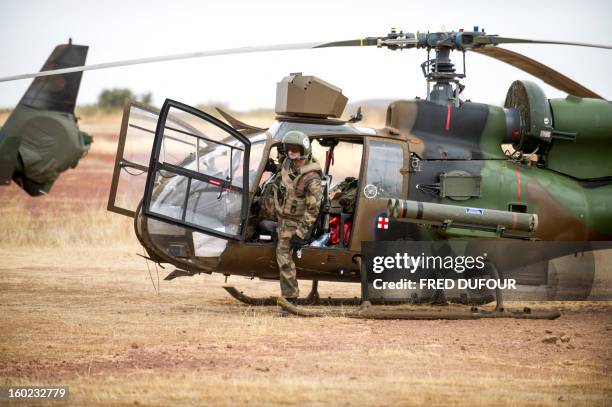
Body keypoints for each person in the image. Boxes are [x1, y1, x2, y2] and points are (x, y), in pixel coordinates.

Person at [275, 130, 323, 303]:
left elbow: (313, 209)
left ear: (304, 150)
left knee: (283, 257)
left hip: (293, 222)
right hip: (281, 215)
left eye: (295, 149)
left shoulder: (311, 177)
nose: (291, 153)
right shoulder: (288, 162)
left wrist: (301, 234)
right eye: (289, 149)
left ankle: (290, 298)